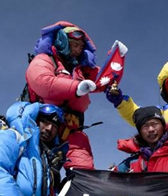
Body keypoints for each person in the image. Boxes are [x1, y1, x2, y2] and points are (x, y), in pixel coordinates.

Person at [26, 20, 128, 170]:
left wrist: (117, 58)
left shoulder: (80, 70)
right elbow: (41, 82)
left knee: (83, 168)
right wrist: (76, 87)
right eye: (75, 44)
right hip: (45, 125)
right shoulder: (45, 59)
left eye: (81, 47)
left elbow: (104, 80)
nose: (79, 49)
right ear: (63, 41)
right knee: (38, 168)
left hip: (72, 128)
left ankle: (82, 190)